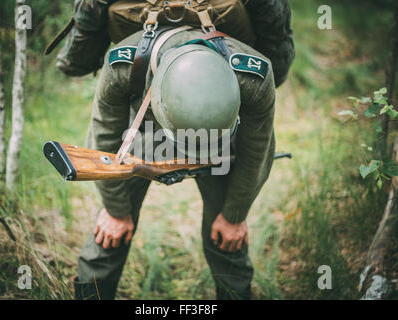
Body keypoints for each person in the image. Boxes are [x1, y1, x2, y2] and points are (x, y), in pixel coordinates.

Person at [73, 24, 283, 300]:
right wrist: (115, 210)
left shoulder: (254, 78)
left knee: (227, 237)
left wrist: (234, 215)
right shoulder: (124, 66)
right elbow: (104, 140)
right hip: (145, 131)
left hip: (220, 143)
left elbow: (257, 152)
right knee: (110, 232)